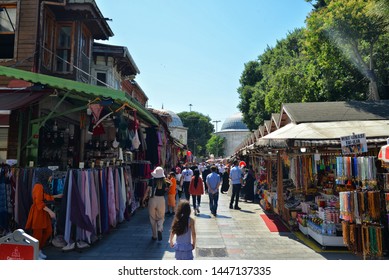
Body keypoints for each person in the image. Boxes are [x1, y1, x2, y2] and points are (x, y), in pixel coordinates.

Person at [25, 168, 63, 260]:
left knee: (48, 231)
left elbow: (45, 198)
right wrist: (50, 212)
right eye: (50, 175)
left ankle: (38, 250)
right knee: (37, 234)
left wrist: (57, 196)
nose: (51, 177)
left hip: (44, 212)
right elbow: (39, 202)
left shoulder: (44, 185)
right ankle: (35, 254)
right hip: (38, 212)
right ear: (45, 175)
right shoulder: (38, 186)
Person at [145, 166, 171, 241]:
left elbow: (147, 191)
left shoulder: (151, 181)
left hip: (152, 199)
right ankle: (159, 228)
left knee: (152, 218)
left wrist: (143, 199)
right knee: (161, 217)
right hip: (161, 200)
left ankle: (154, 235)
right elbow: (170, 185)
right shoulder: (165, 182)